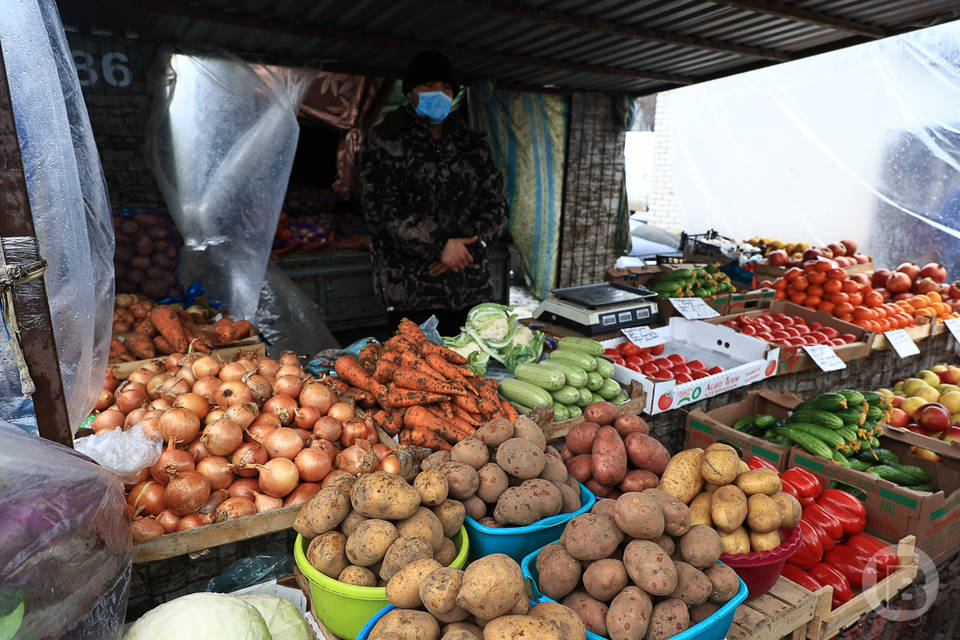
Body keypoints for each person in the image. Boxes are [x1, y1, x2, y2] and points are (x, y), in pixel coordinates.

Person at [359, 50, 508, 336]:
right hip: (412, 291)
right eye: (428, 86)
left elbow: (497, 205)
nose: (439, 92)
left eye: (446, 87)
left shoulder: (471, 143)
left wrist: (466, 248)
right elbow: (382, 212)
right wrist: (440, 246)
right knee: (415, 374)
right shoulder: (385, 140)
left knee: (474, 370)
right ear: (410, 91)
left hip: (470, 288)